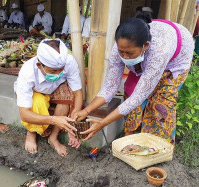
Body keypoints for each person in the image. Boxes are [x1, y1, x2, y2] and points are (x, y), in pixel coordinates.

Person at [75, 11, 194, 143]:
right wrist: (86, 111)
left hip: (175, 60)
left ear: (145, 46)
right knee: (130, 90)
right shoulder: (120, 47)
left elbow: (138, 97)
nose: (124, 57)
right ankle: (129, 135)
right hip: (148, 53)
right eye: (122, 52)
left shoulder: (159, 51)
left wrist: (102, 123)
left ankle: (157, 146)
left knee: (160, 104)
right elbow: (110, 88)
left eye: (130, 53)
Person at [15, 39, 83, 156]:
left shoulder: (69, 61)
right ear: (39, 66)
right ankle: (31, 132)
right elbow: (24, 114)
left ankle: (53, 137)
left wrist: (73, 124)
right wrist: (54, 119)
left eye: (61, 70)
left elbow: (77, 92)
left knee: (67, 95)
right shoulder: (27, 72)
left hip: (54, 89)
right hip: (36, 91)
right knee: (37, 102)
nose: (58, 74)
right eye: (53, 71)